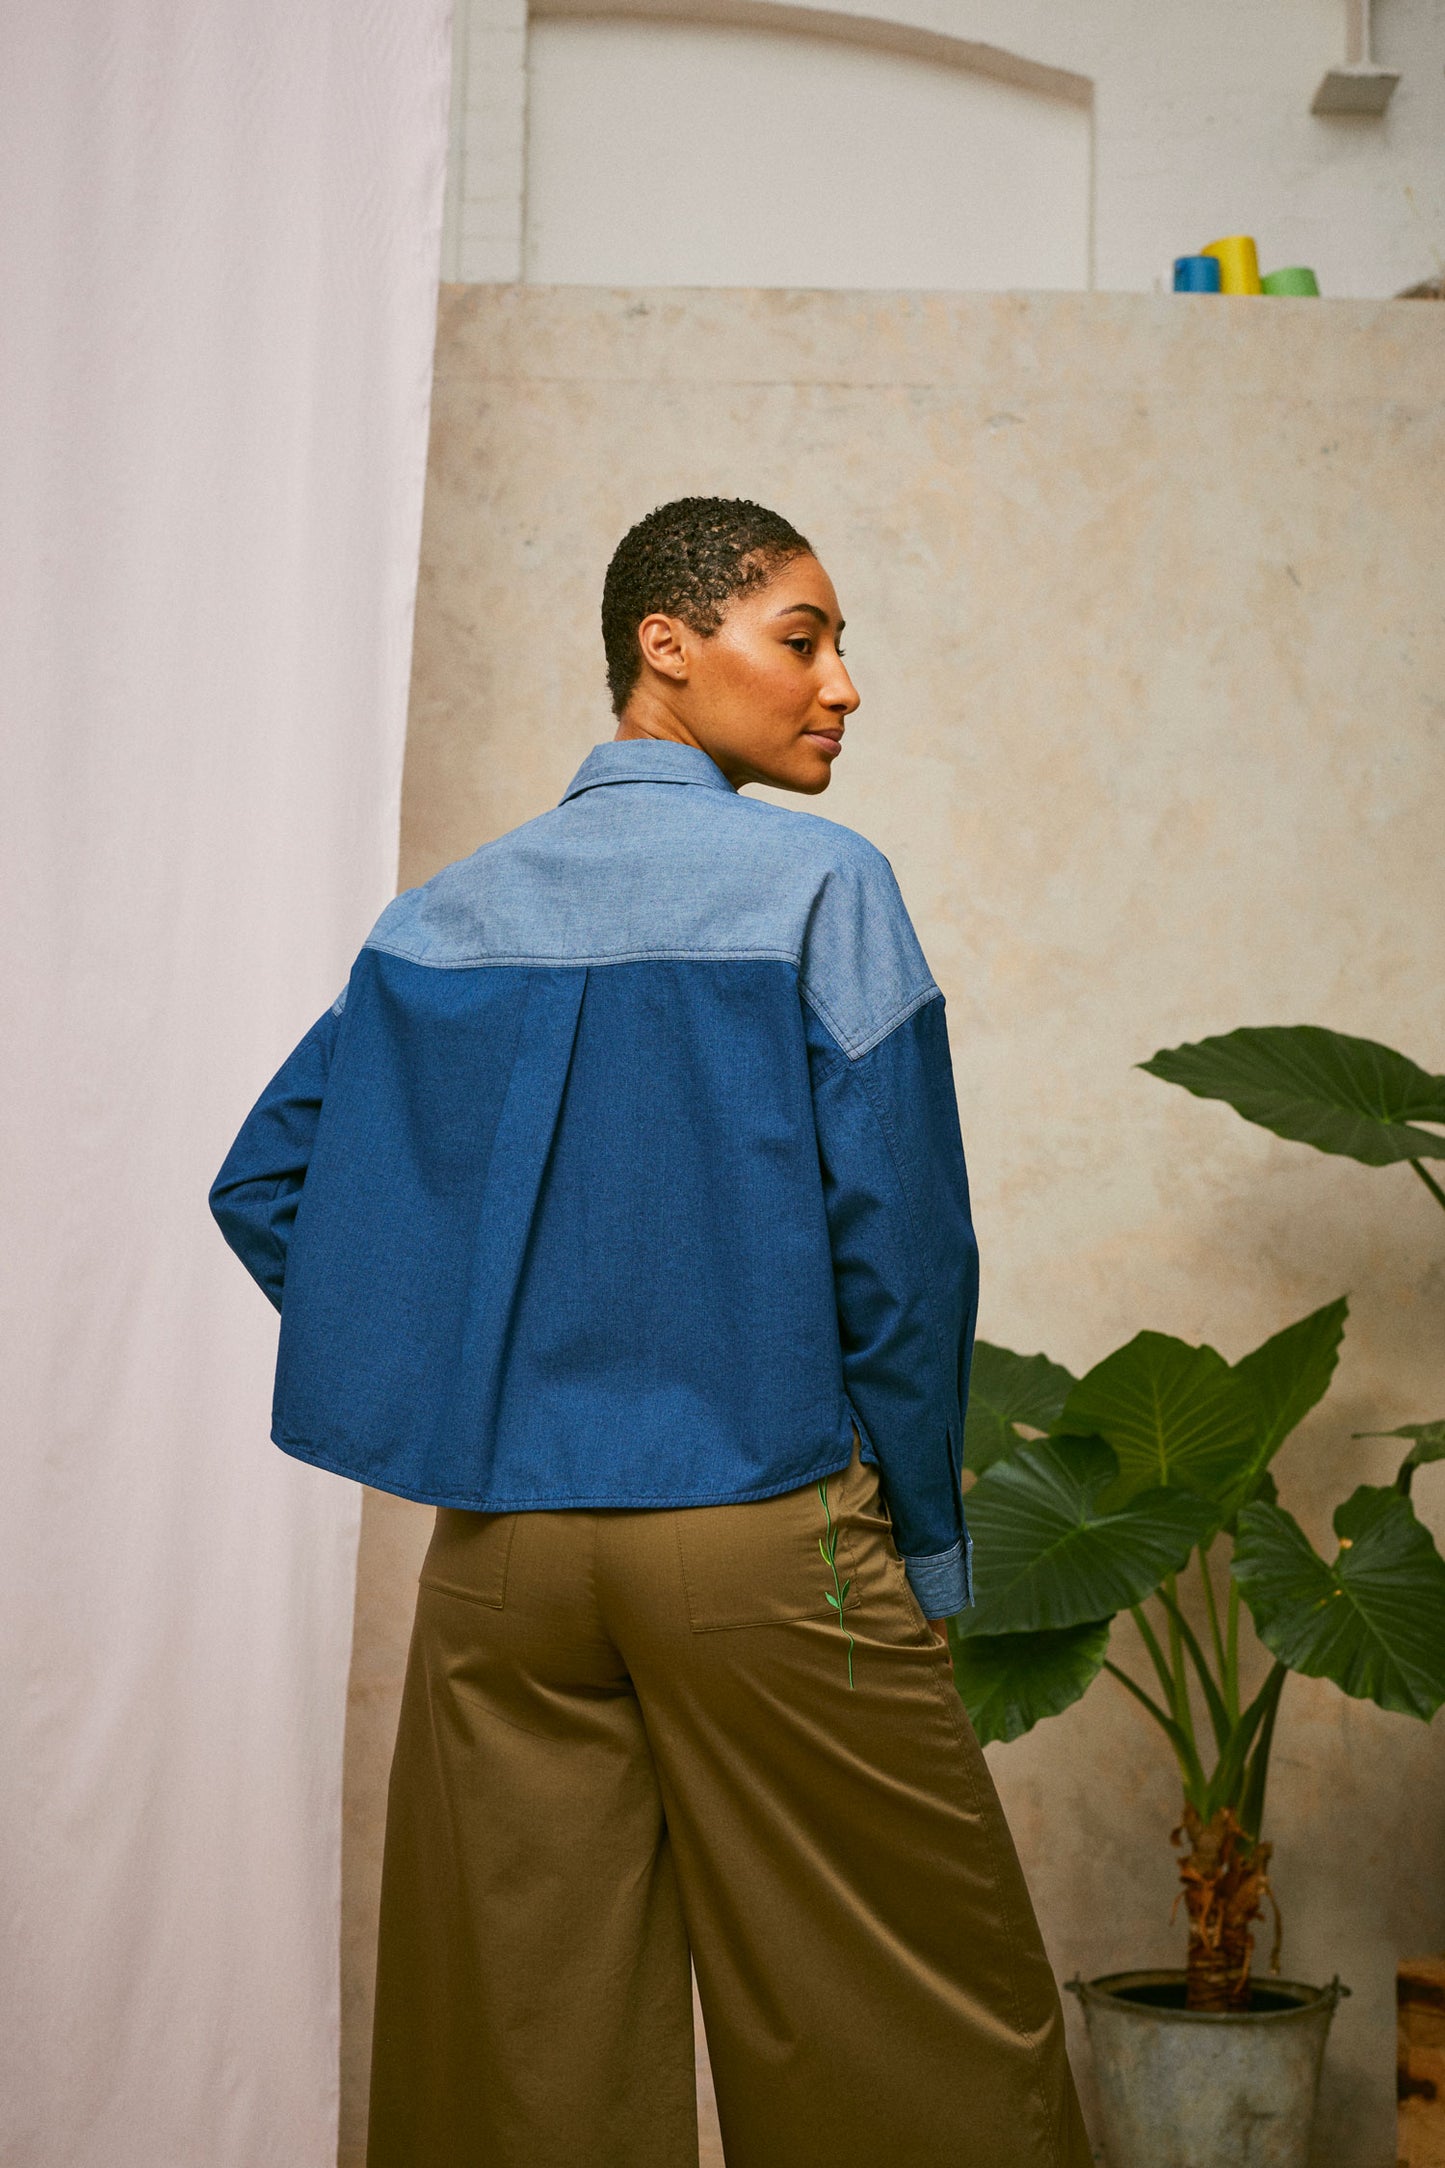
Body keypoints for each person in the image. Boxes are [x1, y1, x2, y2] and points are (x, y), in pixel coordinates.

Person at [210, 496, 1091, 2168]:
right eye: (803, 636)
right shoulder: (825, 889)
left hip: (497, 1563)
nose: (842, 685)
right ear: (662, 647)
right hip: (766, 1544)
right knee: (906, 2031)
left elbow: (268, 1188)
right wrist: (920, 1540)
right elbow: (902, 1257)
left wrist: (473, 1371)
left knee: (516, 2064)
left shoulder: (437, 917)